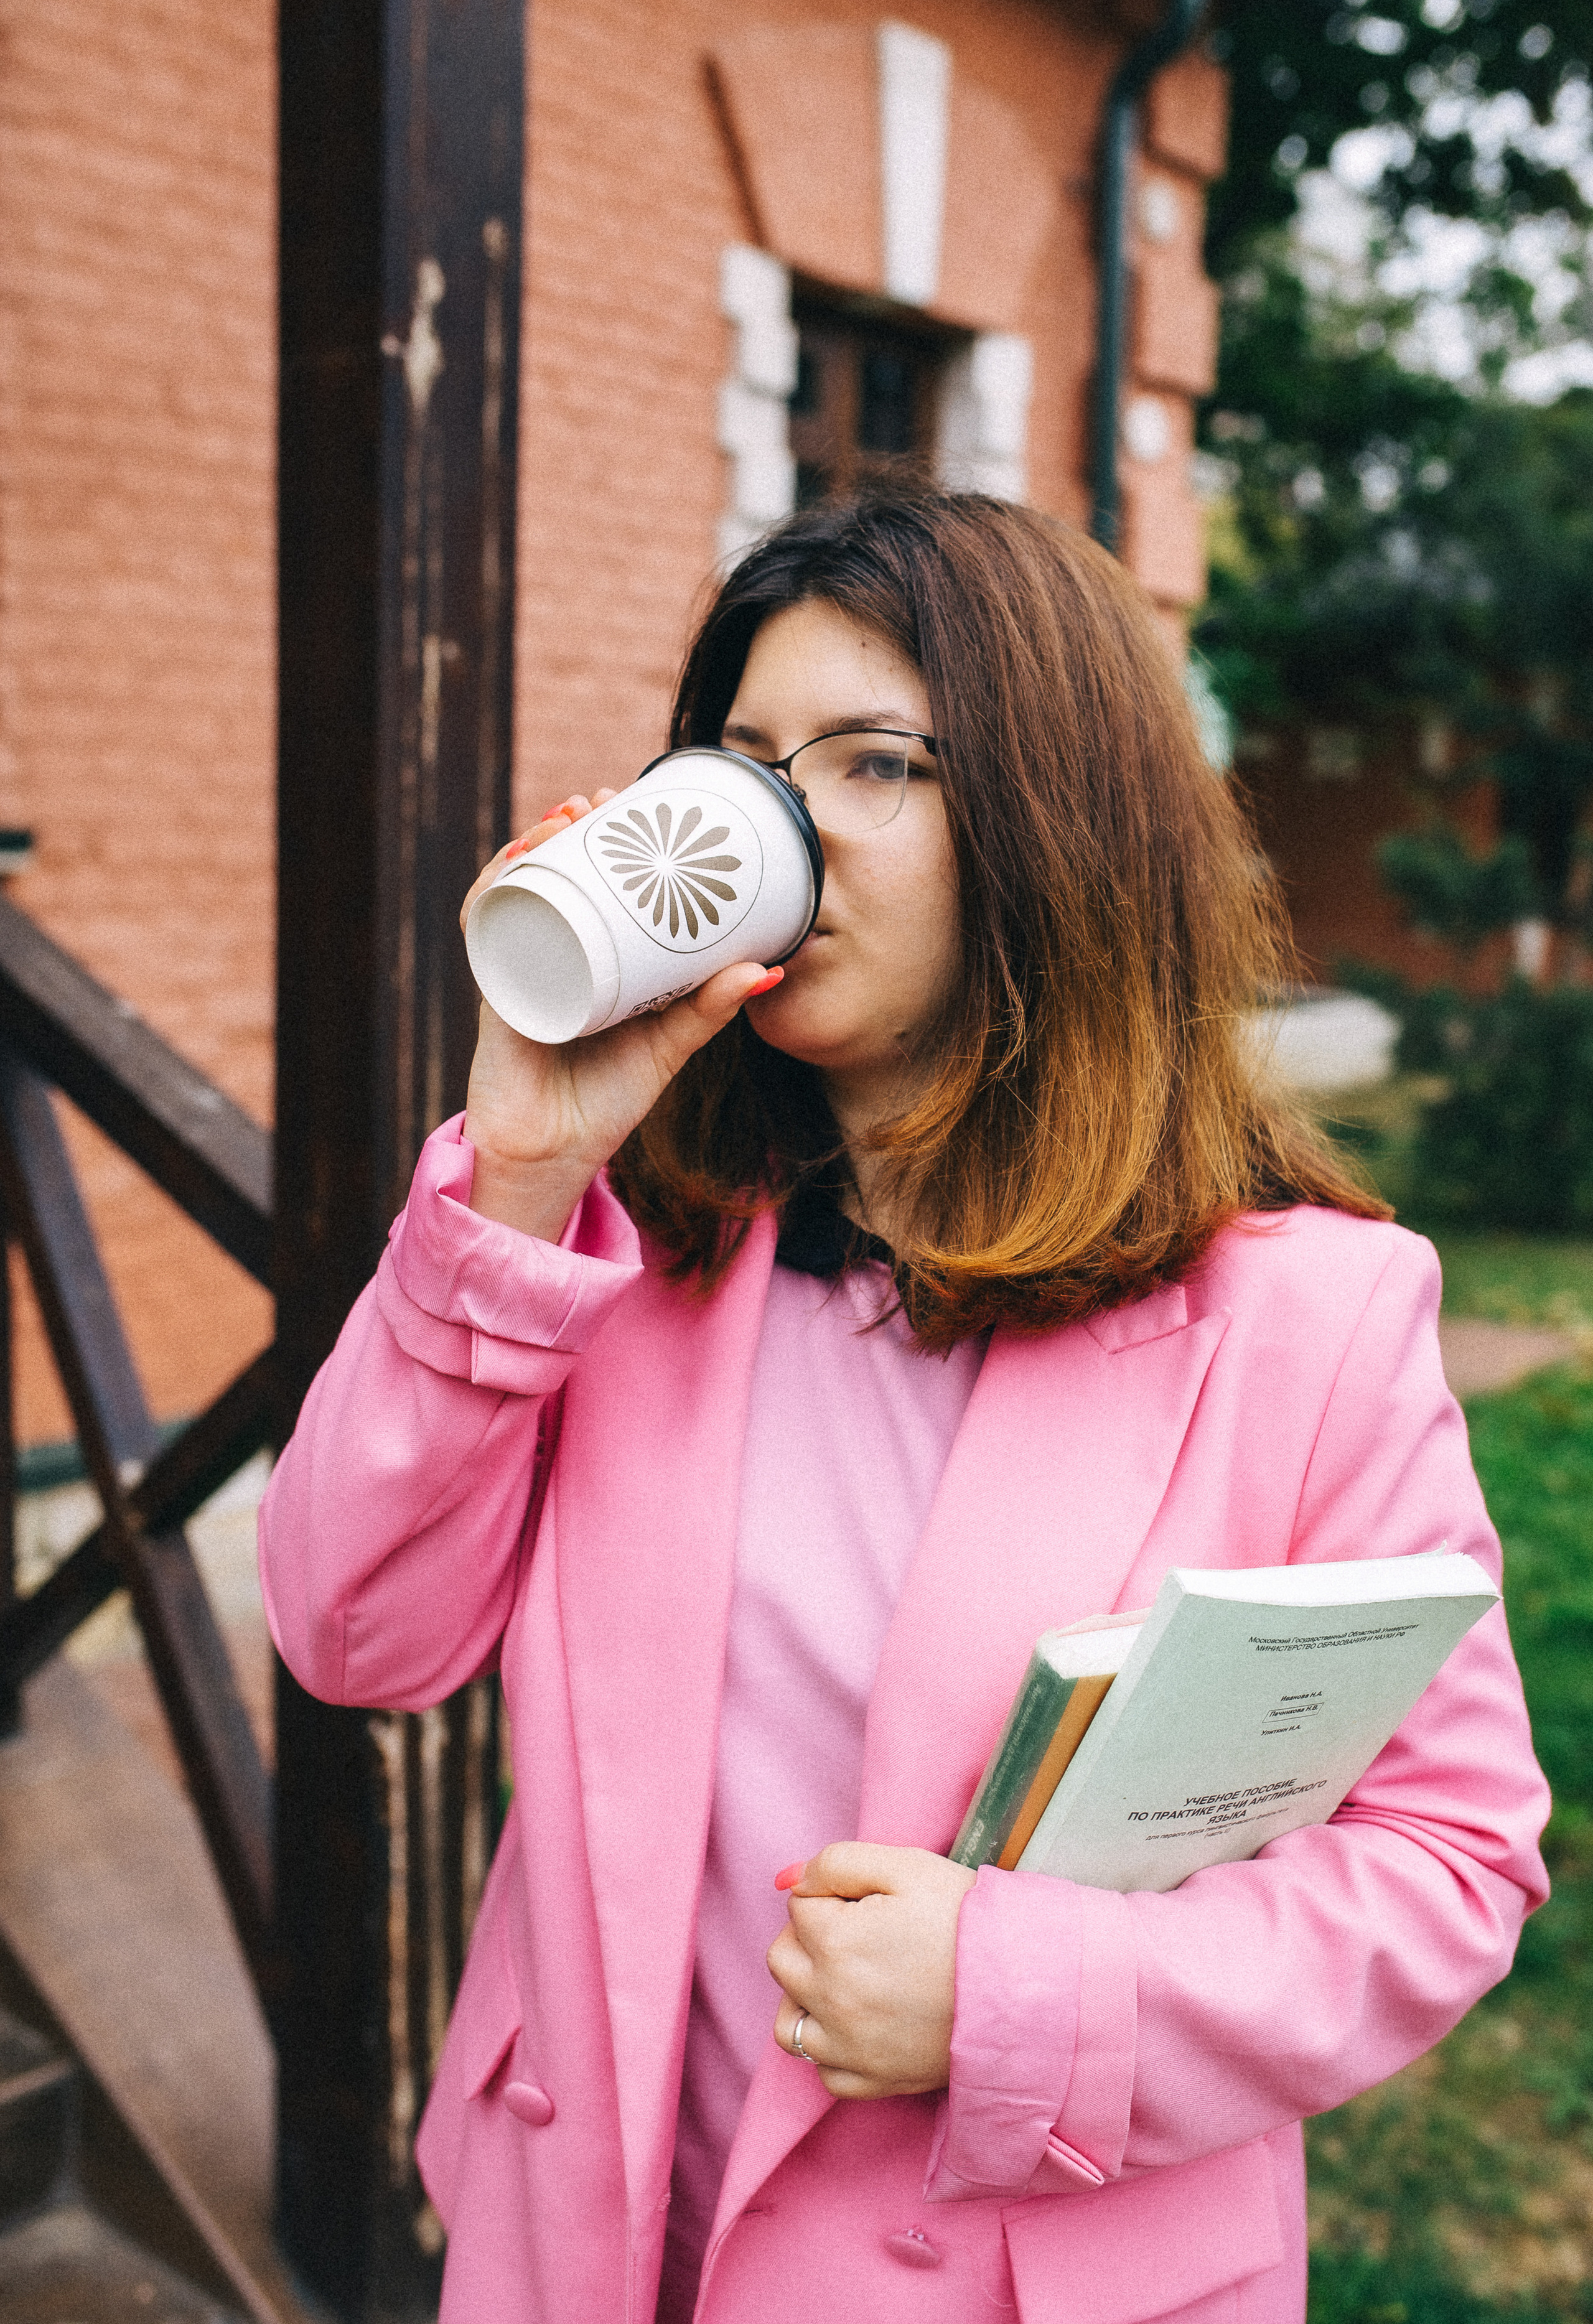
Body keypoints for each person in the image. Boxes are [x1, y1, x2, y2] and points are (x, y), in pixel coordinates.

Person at [259, 488, 1549, 2324]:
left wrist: (1023, 1999)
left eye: (872, 766)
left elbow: (1447, 1863)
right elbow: (349, 1630)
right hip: (591, 2253)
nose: (780, 829)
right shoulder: (634, 1260)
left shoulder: (1310, 1318)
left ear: (1050, 822)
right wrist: (527, 1176)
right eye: (740, 767)